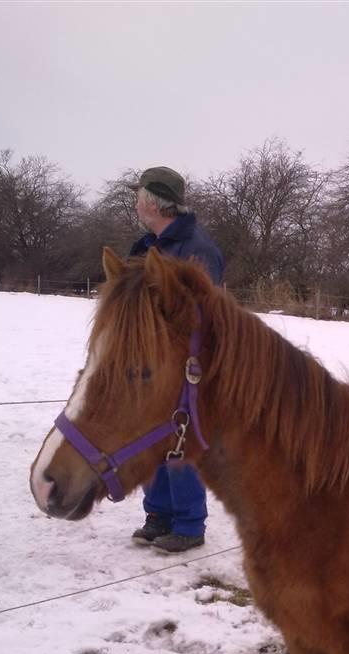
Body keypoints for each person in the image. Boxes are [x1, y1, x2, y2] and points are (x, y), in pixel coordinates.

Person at [127, 166, 225, 553]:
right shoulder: (147, 246)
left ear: (152, 202)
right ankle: (159, 515)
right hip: (149, 361)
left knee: (179, 438)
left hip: (185, 363)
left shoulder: (197, 250)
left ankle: (188, 523)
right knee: (151, 435)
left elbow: (206, 313)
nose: (135, 201)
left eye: (138, 195)